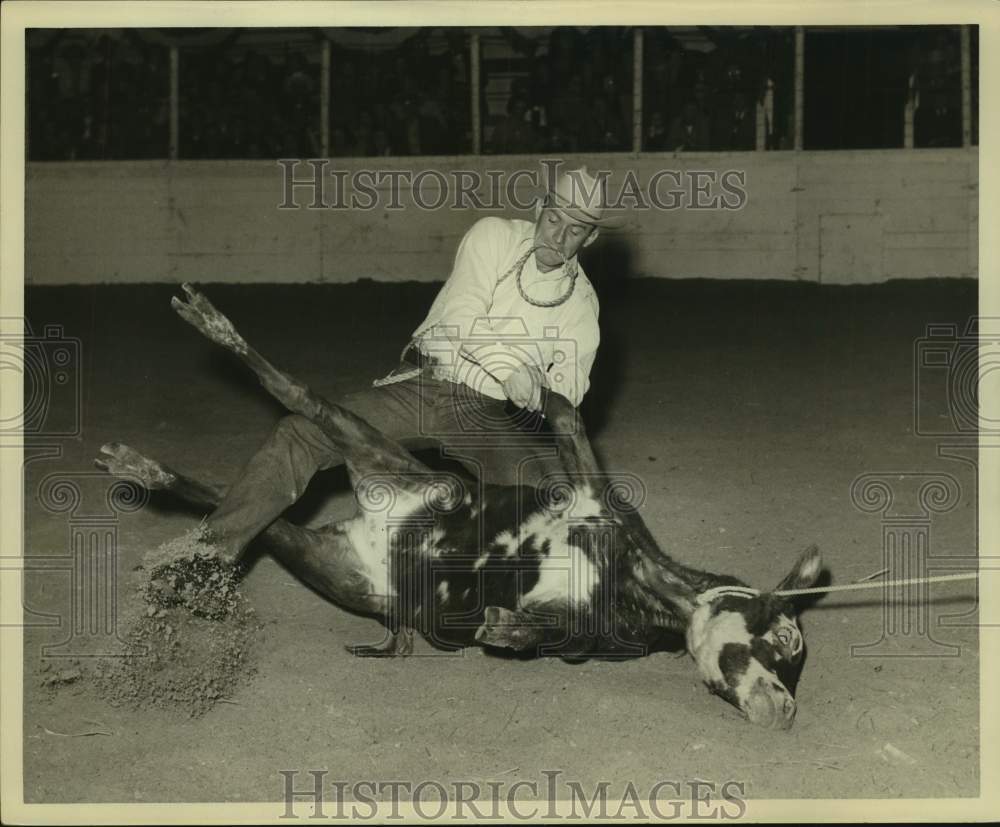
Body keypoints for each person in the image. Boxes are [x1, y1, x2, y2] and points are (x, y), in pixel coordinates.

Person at [183, 167, 624, 563]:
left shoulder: (582, 305)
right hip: (423, 385)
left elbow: (571, 392)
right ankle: (205, 558)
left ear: (590, 238)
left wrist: (546, 394)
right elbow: (460, 317)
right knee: (299, 433)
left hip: (482, 413)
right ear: (538, 208)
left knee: (545, 501)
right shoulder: (494, 236)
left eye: (575, 230)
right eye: (553, 219)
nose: (558, 236)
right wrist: (511, 367)